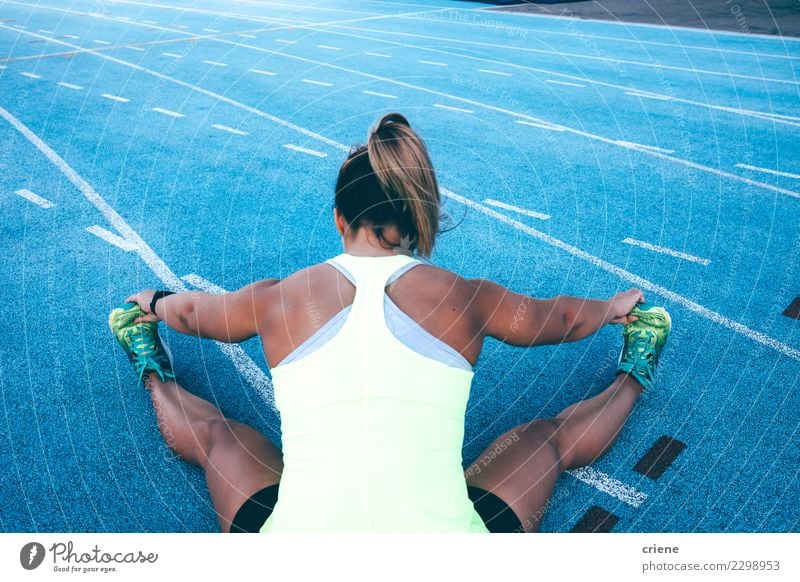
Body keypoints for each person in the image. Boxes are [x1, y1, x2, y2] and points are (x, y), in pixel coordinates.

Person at [110, 112, 671, 533]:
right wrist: (611, 309)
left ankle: (150, 363)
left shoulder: (278, 298)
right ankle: (636, 368)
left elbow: (195, 312)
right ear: (413, 219)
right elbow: (562, 319)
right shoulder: (467, 298)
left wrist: (155, 302)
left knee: (218, 437)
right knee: (543, 439)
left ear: (339, 219)